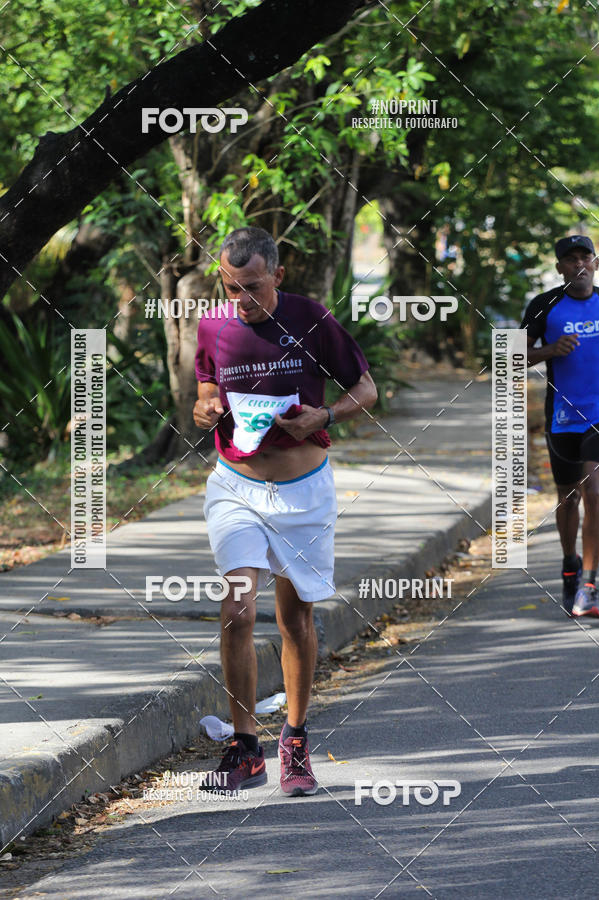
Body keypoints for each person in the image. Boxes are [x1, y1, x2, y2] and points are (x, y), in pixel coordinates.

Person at [193, 226, 377, 795]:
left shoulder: (311, 318)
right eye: (231, 287)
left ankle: (294, 741)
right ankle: (244, 748)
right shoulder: (213, 326)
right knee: (238, 610)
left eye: (252, 287)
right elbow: (204, 390)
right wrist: (205, 408)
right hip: (235, 487)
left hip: (303, 494)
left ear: (278, 274)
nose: (242, 301)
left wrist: (320, 418)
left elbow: (367, 390)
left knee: (295, 618)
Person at [521, 234, 599, 617]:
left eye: (586, 257)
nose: (579, 264)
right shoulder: (545, 305)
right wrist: (550, 350)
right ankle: (569, 564)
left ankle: (589, 583)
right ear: (560, 268)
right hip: (563, 418)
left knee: (595, 493)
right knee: (568, 499)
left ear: (596, 264)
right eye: (571, 259)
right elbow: (510, 356)